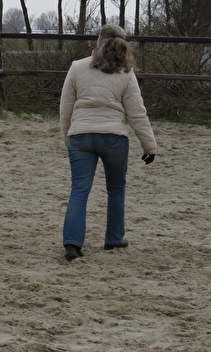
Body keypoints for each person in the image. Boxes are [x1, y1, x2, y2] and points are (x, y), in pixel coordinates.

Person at [59, 24, 156, 261]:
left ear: (98, 40)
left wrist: (67, 136)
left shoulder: (77, 67)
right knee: (116, 189)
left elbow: (65, 107)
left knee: (79, 190)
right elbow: (137, 113)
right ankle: (113, 238)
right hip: (114, 137)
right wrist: (149, 144)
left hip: (81, 136)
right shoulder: (126, 73)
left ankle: (72, 243)